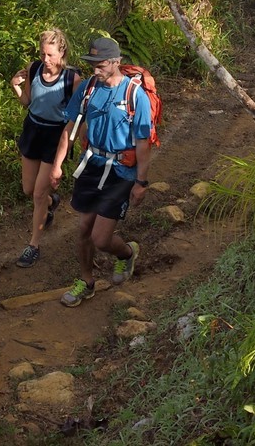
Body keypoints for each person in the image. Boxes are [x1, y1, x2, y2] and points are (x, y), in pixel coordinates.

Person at [49, 36, 154, 307]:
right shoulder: (87, 89)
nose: (95, 68)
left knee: (101, 237)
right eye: (92, 63)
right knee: (84, 229)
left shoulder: (135, 95)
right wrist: (58, 165)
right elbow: (69, 130)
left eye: (101, 64)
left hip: (121, 173)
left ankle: (127, 253)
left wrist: (141, 181)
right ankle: (87, 281)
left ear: (116, 62)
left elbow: (143, 141)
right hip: (91, 165)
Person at [10, 29, 78, 268]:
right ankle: (51, 202)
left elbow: (74, 118)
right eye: (42, 54)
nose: (45, 60)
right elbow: (28, 101)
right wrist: (16, 86)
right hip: (33, 130)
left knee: (38, 194)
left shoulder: (72, 80)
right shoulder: (34, 69)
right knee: (29, 189)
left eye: (50, 55)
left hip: (54, 136)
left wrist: (67, 147)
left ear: (62, 53)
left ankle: (33, 245)